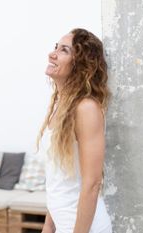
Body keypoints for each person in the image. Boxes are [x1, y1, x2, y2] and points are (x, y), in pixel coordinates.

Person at [38, 28, 113, 233]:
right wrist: (48, 226)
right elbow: (57, 179)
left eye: (64, 50)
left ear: (80, 65)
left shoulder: (86, 108)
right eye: (55, 47)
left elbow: (92, 183)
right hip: (64, 225)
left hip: (86, 228)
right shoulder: (59, 107)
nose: (52, 54)